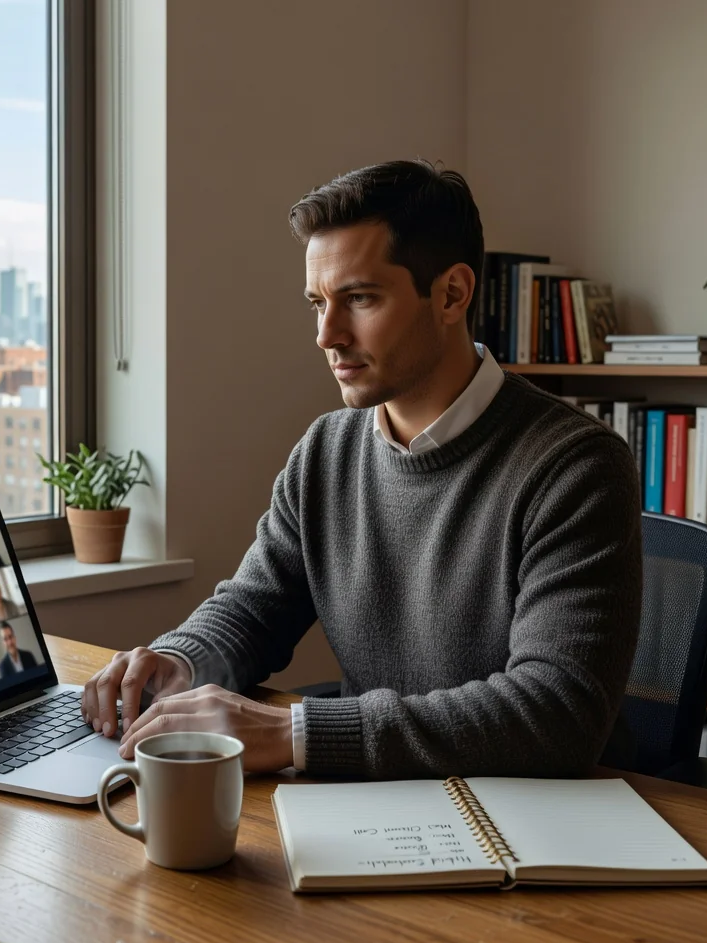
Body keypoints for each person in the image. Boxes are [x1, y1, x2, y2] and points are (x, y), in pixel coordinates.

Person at [81, 160, 643, 779]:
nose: (327, 335)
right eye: (318, 302)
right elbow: (253, 609)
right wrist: (175, 662)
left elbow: (556, 714)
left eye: (360, 299)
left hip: (529, 827)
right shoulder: (326, 451)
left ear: (452, 294)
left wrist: (296, 731)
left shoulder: (576, 466)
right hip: (372, 813)